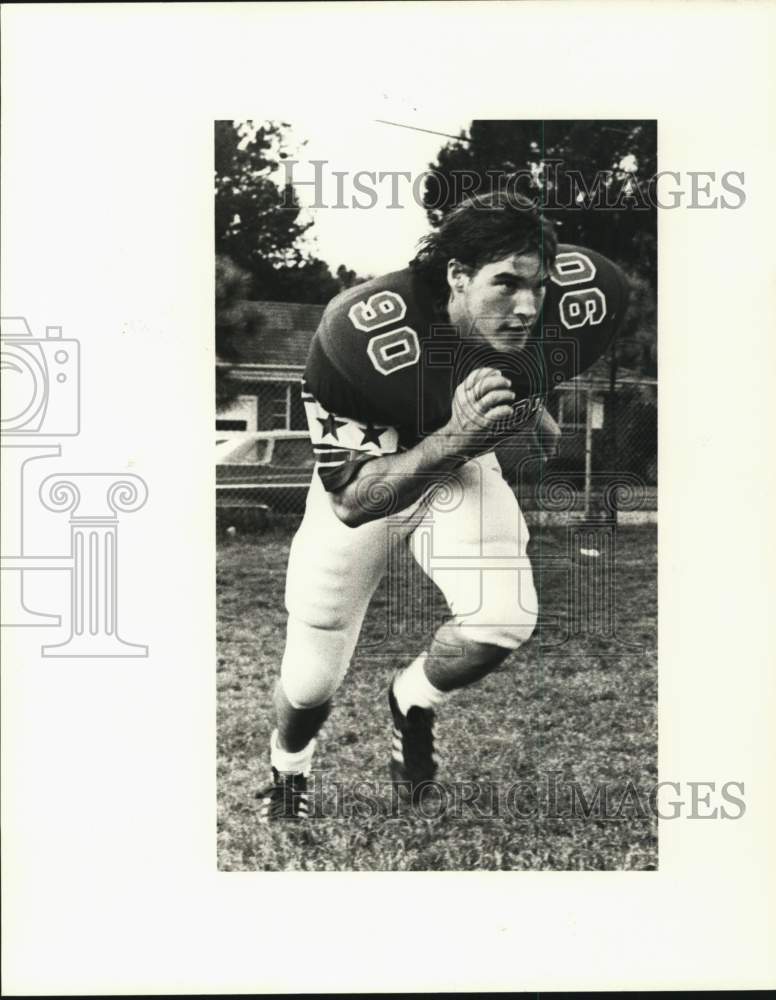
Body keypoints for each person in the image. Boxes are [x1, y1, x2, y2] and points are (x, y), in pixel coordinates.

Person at [257, 190, 630, 820]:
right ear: (456, 276)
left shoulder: (569, 302)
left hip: (459, 454)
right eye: (505, 284)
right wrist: (459, 435)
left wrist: (519, 403)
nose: (527, 307)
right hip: (373, 469)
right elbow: (353, 501)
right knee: (314, 669)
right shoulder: (364, 331)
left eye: (537, 286)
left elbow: (539, 447)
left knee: (501, 618)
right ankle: (288, 771)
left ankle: (411, 698)